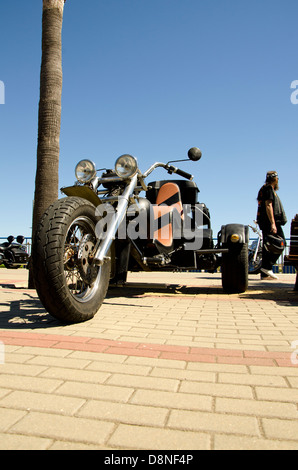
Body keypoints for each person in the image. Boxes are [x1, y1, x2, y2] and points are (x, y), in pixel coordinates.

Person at [257, 171, 287, 280]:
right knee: (281, 243)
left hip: (267, 222)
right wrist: (273, 223)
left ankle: (265, 273)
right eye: (277, 177)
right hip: (270, 222)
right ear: (274, 178)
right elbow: (268, 206)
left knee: (268, 246)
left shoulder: (266, 189)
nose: (278, 179)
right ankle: (267, 266)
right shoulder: (268, 189)